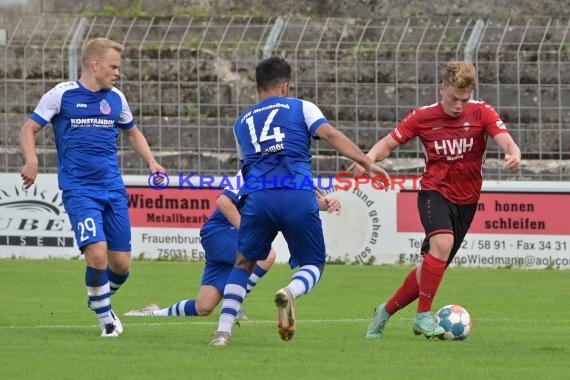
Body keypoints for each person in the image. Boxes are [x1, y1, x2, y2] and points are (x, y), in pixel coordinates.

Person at [209, 56, 389, 346]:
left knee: (243, 264)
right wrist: (366, 162)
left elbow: (246, 168)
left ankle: (222, 333)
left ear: (257, 86)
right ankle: (290, 292)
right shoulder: (301, 107)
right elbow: (329, 134)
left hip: (259, 198)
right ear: (285, 85)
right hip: (296, 195)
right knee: (313, 264)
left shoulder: (241, 122)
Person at [352, 60, 521, 339]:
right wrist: (367, 160)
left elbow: (505, 139)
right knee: (442, 243)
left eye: (464, 99)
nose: (458, 105)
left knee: (428, 270)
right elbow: (388, 143)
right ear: (442, 88)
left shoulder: (482, 112)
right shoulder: (423, 117)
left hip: (466, 201)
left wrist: (513, 153)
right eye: (453, 98)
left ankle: (384, 312)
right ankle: (423, 317)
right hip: (434, 192)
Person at [19, 37, 165, 337]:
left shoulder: (116, 99)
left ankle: (98, 297)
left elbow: (133, 133)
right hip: (80, 190)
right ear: (95, 64)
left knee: (121, 265)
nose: (117, 72)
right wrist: (31, 160)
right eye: (113, 66)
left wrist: (152, 162)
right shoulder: (61, 95)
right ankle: (106, 320)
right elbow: (28, 128)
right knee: (97, 254)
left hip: (113, 189)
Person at [123, 173, 342, 319]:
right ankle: (234, 305)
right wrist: (248, 234)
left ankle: (152, 314)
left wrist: (327, 204)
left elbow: (304, 203)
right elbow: (223, 202)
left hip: (231, 238)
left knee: (204, 306)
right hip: (219, 231)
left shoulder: (292, 172)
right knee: (266, 254)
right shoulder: (252, 168)